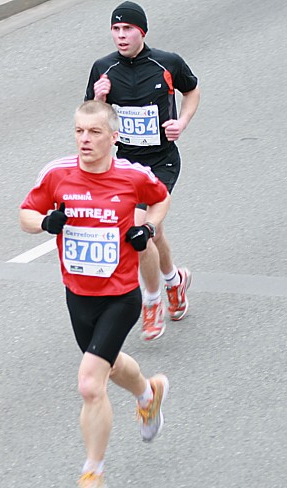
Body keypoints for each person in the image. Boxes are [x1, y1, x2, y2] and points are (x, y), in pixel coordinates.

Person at [19, 100, 171, 488]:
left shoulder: (133, 176)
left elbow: (160, 199)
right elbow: (26, 213)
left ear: (113, 137)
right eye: (79, 131)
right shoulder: (57, 174)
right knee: (111, 363)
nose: (84, 139)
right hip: (78, 295)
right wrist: (45, 222)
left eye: (94, 132)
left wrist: (147, 228)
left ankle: (93, 475)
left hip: (120, 295)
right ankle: (148, 393)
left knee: (90, 383)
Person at [85, 1, 200, 342]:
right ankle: (174, 281)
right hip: (127, 164)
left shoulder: (167, 63)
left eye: (128, 29)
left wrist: (182, 122)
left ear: (142, 32)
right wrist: (99, 99)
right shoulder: (103, 69)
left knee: (138, 232)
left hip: (163, 162)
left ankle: (151, 302)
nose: (121, 36)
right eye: (116, 29)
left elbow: (192, 90)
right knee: (153, 232)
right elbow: (91, 120)